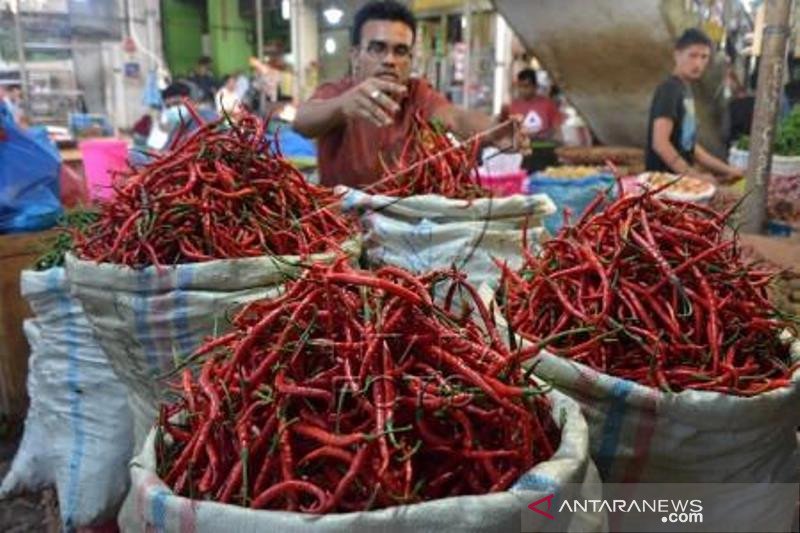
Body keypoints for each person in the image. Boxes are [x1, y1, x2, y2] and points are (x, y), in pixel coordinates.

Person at [292, 0, 528, 188]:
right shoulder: (339, 92)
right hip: (341, 227)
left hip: (401, 232)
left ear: (410, 60)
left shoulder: (416, 95)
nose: (389, 60)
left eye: (400, 51)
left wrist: (492, 131)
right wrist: (342, 106)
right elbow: (302, 121)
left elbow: (454, 117)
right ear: (355, 55)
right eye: (377, 48)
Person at [646, 29, 743, 183]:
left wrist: (729, 170)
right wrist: (694, 175)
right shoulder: (669, 90)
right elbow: (660, 143)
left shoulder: (686, 90)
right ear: (677, 55)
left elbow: (692, 148)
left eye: (704, 57)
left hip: (680, 181)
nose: (698, 63)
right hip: (662, 184)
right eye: (692, 55)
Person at [500, 68, 563, 141]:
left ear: (535, 86)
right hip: (521, 147)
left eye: (526, 86)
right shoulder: (513, 106)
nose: (522, 90)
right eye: (520, 86)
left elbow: (557, 127)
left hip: (544, 146)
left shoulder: (548, 104)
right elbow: (508, 130)